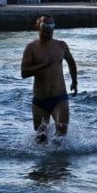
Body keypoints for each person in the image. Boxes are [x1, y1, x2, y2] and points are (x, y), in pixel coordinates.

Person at [21, 15, 78, 143]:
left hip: (59, 98)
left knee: (61, 134)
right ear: (37, 26)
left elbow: (71, 62)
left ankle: (60, 157)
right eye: (45, 26)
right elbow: (24, 73)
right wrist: (43, 65)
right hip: (39, 101)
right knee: (40, 139)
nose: (49, 29)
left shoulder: (61, 45)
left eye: (52, 26)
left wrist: (74, 81)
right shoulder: (31, 48)